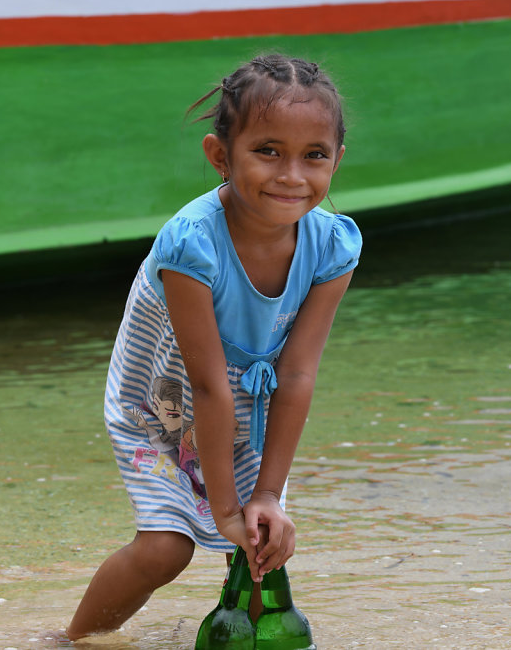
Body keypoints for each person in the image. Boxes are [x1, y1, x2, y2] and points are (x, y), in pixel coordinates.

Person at [66, 54, 361, 640]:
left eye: (314, 156)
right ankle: (70, 640)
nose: (291, 176)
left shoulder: (333, 248)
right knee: (165, 552)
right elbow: (204, 385)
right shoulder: (191, 244)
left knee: (260, 550)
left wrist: (268, 496)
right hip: (163, 408)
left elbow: (298, 374)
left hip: (249, 405)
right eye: (268, 151)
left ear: (337, 161)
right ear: (220, 156)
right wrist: (223, 507)